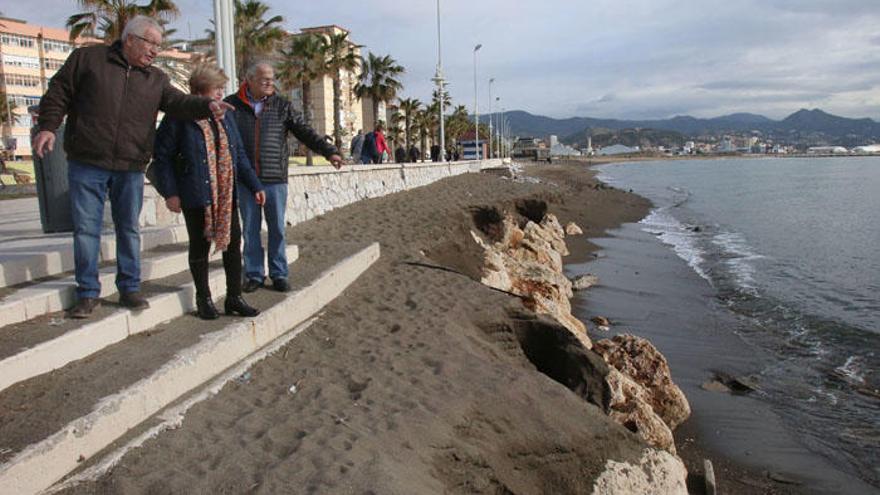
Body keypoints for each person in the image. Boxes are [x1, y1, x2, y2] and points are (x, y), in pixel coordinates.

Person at [32, 15, 233, 319]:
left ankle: (129, 288)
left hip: (130, 165)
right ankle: (87, 293)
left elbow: (179, 103)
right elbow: (59, 92)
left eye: (159, 45)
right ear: (130, 39)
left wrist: (208, 106)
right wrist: (48, 127)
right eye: (151, 43)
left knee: (128, 229)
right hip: (87, 161)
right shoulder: (88, 59)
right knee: (86, 230)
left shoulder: (156, 79)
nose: (155, 50)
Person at [152, 64, 265, 319]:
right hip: (195, 193)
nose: (221, 94)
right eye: (217, 89)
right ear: (201, 91)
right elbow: (162, 157)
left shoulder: (227, 117)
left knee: (234, 243)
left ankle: (234, 297)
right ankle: (204, 299)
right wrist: (170, 192)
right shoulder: (178, 118)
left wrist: (255, 185)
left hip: (226, 194)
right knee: (200, 247)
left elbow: (239, 155)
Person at [225, 62, 343, 293]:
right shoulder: (232, 105)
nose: (270, 83)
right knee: (250, 229)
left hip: (275, 178)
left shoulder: (282, 106)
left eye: (272, 78)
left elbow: (304, 131)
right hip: (246, 179)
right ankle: (254, 274)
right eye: (264, 79)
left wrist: (329, 151)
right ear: (249, 80)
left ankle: (279, 273)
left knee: (277, 228)